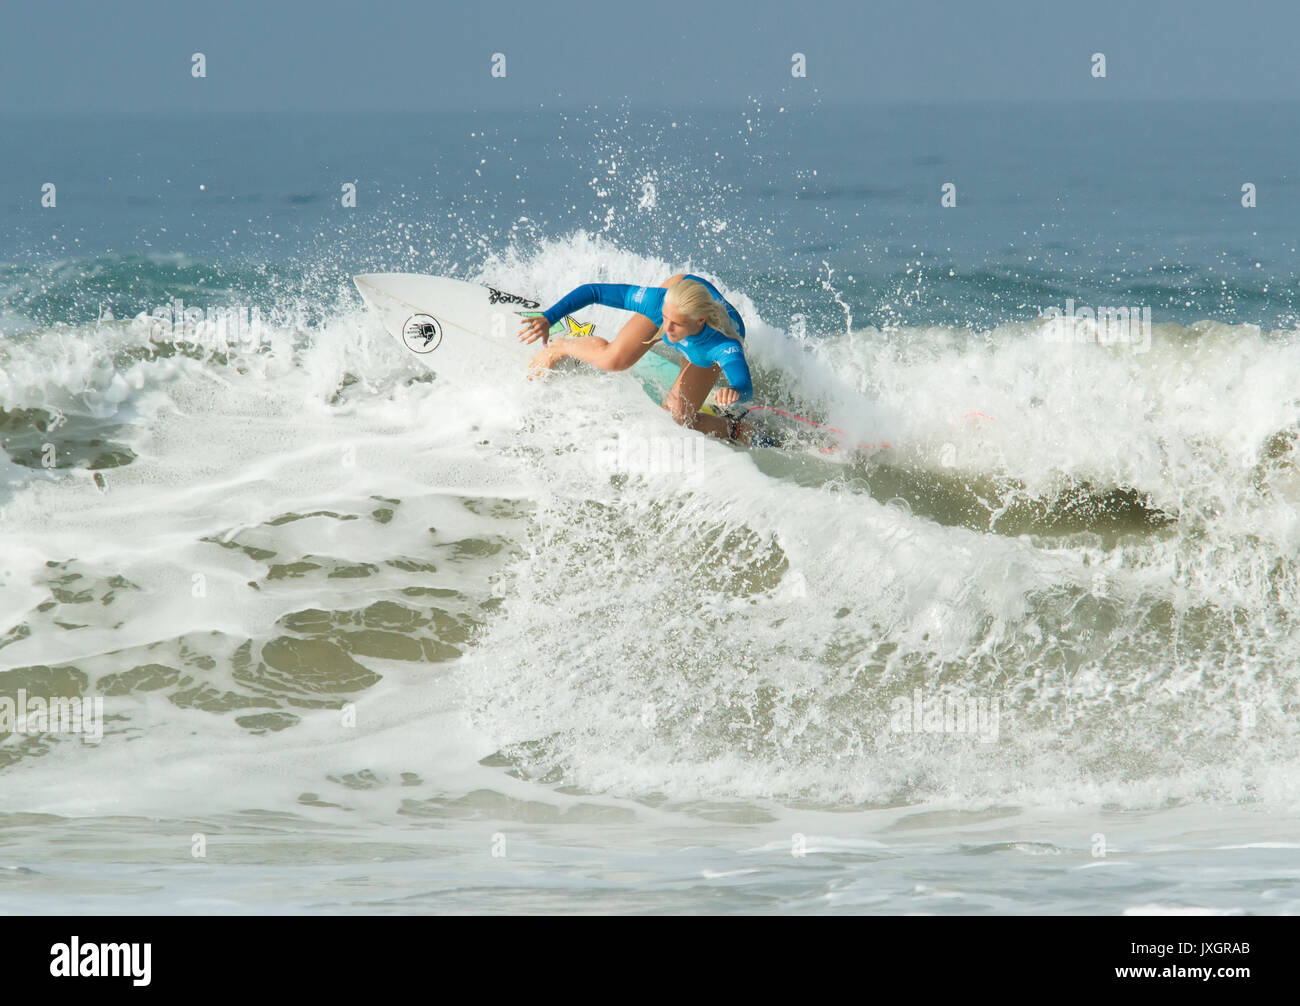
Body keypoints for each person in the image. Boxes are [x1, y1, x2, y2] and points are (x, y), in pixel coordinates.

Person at [518, 273, 754, 441]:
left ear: (700, 321)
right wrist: (549, 317)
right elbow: (594, 291)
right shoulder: (658, 303)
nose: (665, 329)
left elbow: (744, 385)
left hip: (700, 331)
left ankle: (737, 428)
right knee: (615, 360)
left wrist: (733, 390)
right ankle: (561, 347)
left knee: (678, 420)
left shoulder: (721, 345)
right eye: (665, 319)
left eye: (675, 325)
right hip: (681, 293)